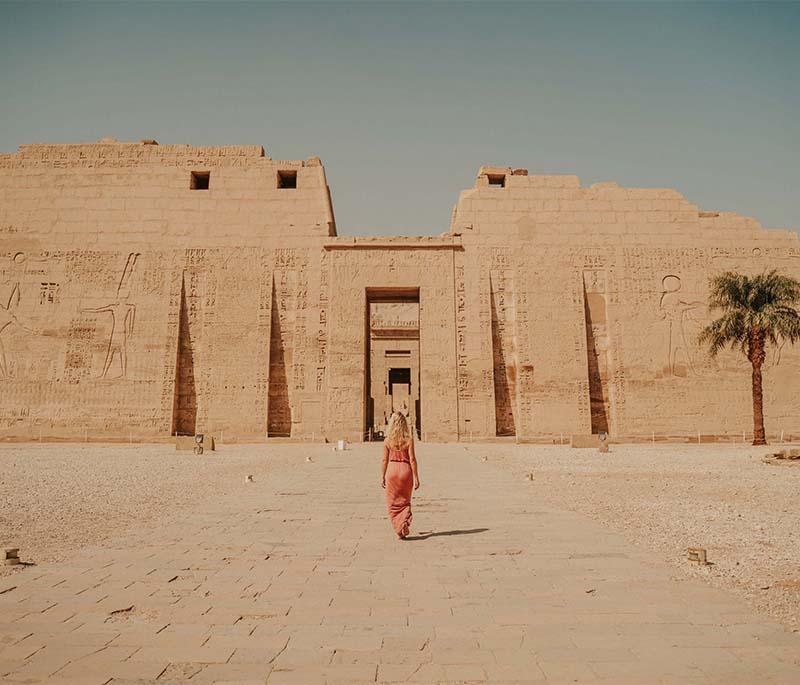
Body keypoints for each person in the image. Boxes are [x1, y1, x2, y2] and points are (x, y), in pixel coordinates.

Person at [381, 411, 420, 539]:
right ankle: (403, 522)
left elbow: (384, 460)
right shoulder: (408, 440)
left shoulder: (387, 441)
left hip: (392, 471)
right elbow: (412, 459)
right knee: (405, 500)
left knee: (392, 503)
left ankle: (399, 528)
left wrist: (382, 475)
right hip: (405, 471)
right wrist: (416, 477)